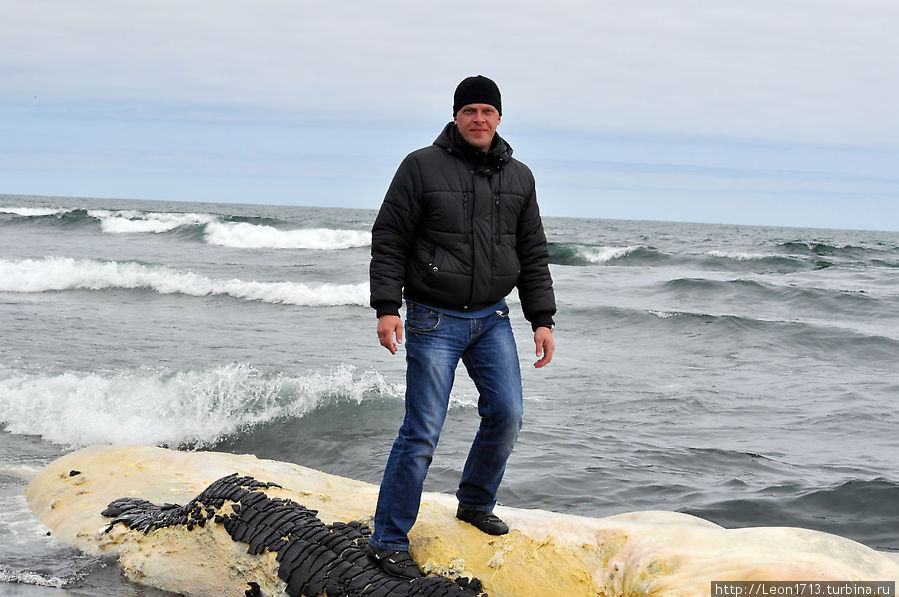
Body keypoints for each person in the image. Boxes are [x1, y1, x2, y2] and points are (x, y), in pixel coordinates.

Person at [367, 75, 556, 579]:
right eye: (470, 110)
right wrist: (387, 307)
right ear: (456, 116)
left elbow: (533, 252)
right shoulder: (421, 166)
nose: (479, 119)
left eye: (487, 111)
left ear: (499, 118)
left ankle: (474, 502)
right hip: (433, 316)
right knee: (423, 430)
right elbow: (389, 237)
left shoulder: (520, 176)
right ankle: (387, 538)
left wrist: (542, 318)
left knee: (508, 414)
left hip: (492, 317)